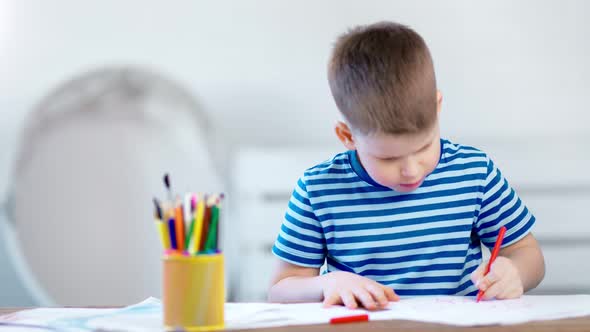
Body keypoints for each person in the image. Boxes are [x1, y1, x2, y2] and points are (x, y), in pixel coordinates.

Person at [268, 21, 545, 310]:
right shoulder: (319, 189)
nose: (411, 170)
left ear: (437, 108)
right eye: (388, 158)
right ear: (348, 136)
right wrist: (328, 284)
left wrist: (516, 273)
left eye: (424, 146)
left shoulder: (473, 173)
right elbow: (280, 289)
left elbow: (527, 253)